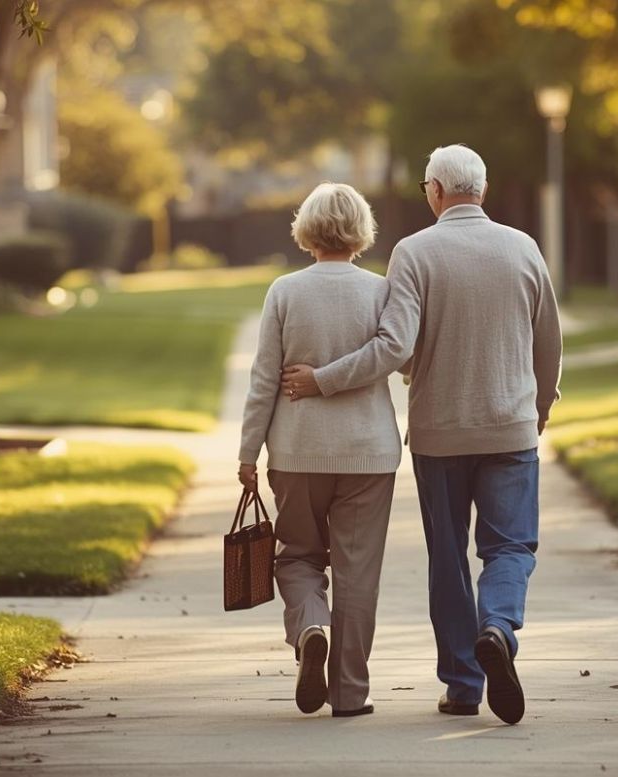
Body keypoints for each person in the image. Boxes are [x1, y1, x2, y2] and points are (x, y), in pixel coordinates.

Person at [280, 145, 563, 725]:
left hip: (439, 436)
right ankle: (499, 628)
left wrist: (327, 380)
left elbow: (398, 347)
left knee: (450, 560)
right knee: (510, 547)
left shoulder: (413, 253)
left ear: (435, 191)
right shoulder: (524, 248)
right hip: (510, 428)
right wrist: (539, 407)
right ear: (480, 190)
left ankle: (463, 686)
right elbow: (548, 342)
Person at [238, 182, 402, 718]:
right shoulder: (381, 291)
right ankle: (350, 693)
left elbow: (265, 380)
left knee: (297, 556)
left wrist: (248, 453)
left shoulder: (284, 291)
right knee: (358, 573)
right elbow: (396, 357)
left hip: (297, 452)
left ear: (306, 229)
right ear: (361, 230)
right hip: (368, 455)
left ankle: (312, 624)